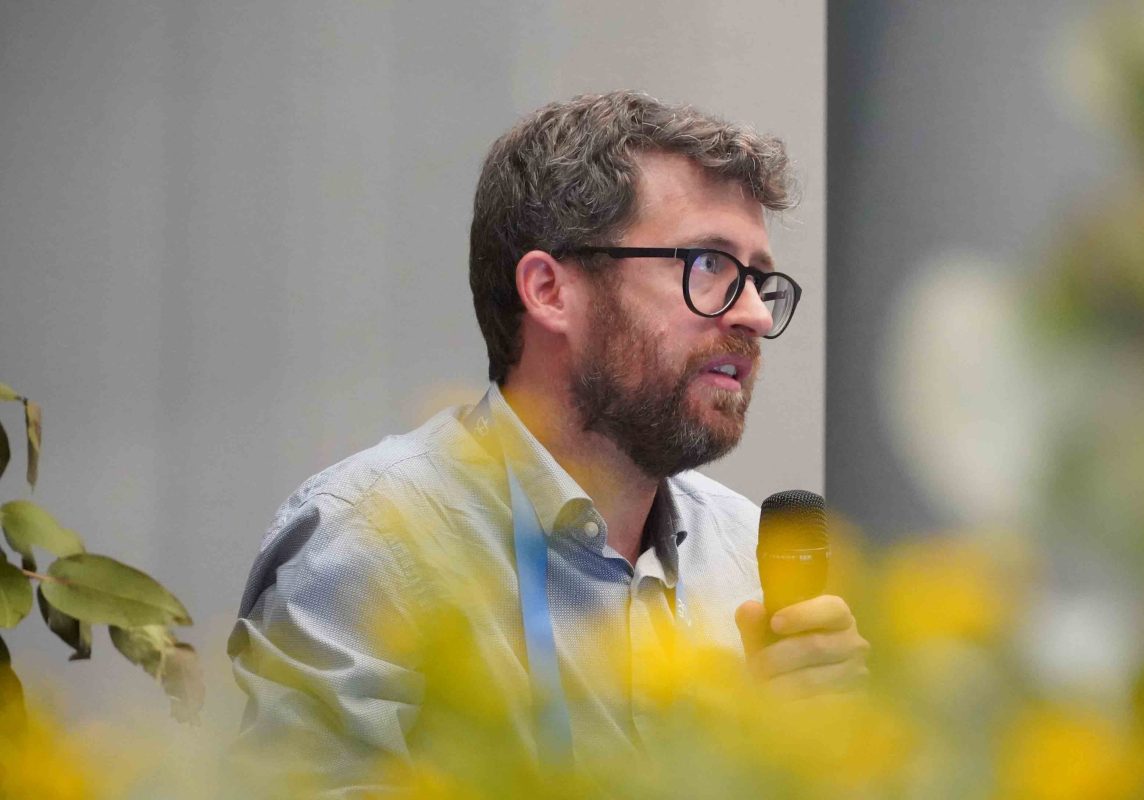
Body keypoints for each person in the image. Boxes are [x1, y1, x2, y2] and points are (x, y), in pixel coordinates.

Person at [228, 90, 869, 793]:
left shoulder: (746, 554)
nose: (753, 313)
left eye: (758, 278)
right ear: (549, 290)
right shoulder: (372, 542)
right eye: (709, 264)